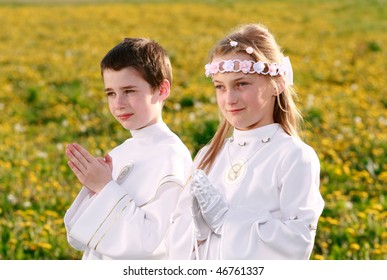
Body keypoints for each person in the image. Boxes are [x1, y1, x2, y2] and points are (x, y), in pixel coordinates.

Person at [167, 23, 324, 259]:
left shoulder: (294, 156)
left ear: (277, 84)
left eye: (241, 84)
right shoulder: (208, 155)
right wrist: (195, 234)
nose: (229, 99)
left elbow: (297, 243)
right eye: (220, 87)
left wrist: (226, 221)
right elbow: (174, 242)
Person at [64, 38, 192, 260]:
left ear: (162, 89)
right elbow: (79, 237)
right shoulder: (120, 152)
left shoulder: (171, 155)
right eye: (110, 93)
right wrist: (94, 191)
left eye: (129, 91)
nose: (118, 104)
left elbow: (154, 243)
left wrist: (105, 187)